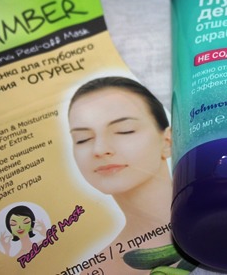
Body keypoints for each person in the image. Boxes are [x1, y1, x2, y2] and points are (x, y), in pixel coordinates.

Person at [68, 76, 173, 273]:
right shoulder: (99, 269)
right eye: (83, 139)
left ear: (168, 141)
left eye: (124, 130)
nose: (99, 149)